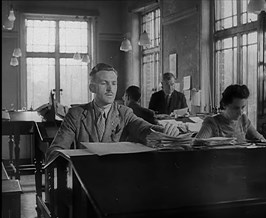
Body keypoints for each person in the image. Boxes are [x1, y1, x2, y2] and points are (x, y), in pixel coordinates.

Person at [46, 63, 179, 162]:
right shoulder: (76, 114)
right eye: (104, 83)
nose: (110, 89)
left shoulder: (125, 113)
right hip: (84, 178)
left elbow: (143, 128)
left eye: (114, 83)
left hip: (117, 177)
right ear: (92, 87)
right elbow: (55, 150)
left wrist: (164, 131)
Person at [195, 84, 266, 144]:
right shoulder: (212, 122)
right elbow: (196, 143)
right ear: (224, 105)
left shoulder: (243, 120)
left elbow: (262, 140)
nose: (240, 112)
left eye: (243, 107)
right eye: (236, 108)